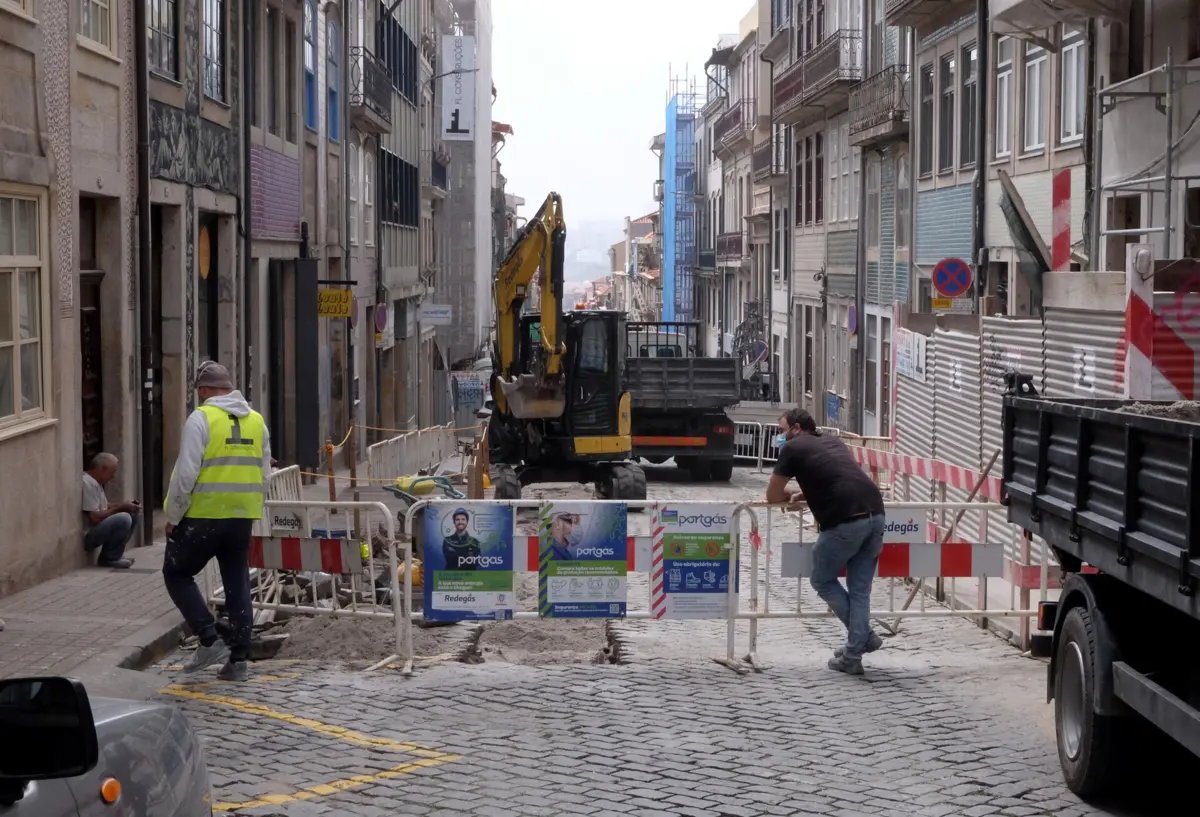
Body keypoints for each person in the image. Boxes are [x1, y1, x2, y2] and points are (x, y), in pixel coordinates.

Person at [162, 361, 272, 682]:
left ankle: (209, 639)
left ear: (206, 390)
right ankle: (238, 660)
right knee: (238, 582)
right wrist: (250, 507)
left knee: (176, 572)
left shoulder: (201, 419)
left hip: (204, 514)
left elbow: (185, 475)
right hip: (241, 516)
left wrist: (173, 516)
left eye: (200, 392)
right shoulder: (256, 421)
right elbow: (264, 475)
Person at [766, 407, 886, 675]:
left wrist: (789, 497)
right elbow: (836, 480)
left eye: (782, 431)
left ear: (796, 429)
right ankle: (854, 651)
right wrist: (805, 496)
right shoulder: (833, 441)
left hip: (845, 520)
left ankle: (862, 639)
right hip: (875, 512)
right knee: (860, 591)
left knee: (821, 579)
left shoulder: (793, 448)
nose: (780, 437)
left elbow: (773, 495)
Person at [81, 453, 139, 569]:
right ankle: (109, 558)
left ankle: (116, 553)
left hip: (98, 529)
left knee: (131, 514)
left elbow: (104, 506)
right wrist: (120, 508)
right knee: (123, 518)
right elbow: (94, 517)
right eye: (112, 472)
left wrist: (125, 505)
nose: (113, 477)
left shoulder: (97, 483)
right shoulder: (88, 483)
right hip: (89, 535)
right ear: (102, 469)